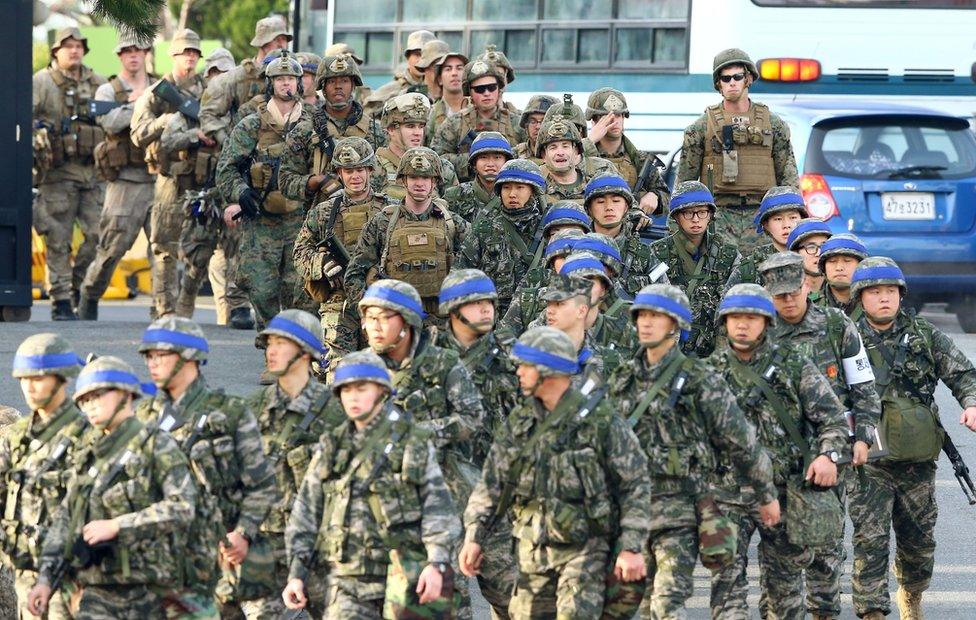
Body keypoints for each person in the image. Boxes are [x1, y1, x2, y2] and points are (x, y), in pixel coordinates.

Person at [608, 284, 778, 619]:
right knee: (639, 605)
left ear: (676, 325)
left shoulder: (699, 379)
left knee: (666, 604)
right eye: (642, 315)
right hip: (630, 514)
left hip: (680, 513)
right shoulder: (622, 378)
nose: (645, 323)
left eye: (656, 316)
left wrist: (766, 492)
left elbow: (741, 441)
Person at [460, 326, 652, 618]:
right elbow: (492, 484)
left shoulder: (600, 421)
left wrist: (632, 546)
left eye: (526, 366)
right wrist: (474, 536)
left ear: (548, 371)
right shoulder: (520, 422)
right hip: (532, 554)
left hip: (585, 553)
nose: (518, 373)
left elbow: (634, 484)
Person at [283, 350, 461, 618]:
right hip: (347, 579)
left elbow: (438, 509)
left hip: (405, 576)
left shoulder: (411, 442)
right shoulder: (331, 447)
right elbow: (306, 513)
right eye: (346, 390)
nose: (353, 396)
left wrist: (436, 563)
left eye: (361, 388)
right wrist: (297, 573)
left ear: (382, 391)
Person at [707, 284, 848, 620]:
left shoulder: (794, 366)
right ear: (724, 322)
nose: (742, 325)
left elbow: (834, 419)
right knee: (726, 592)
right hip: (725, 498)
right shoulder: (707, 374)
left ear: (766, 322)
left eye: (751, 318)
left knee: (786, 595)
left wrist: (827, 455)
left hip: (786, 493)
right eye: (735, 317)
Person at [847, 256, 976, 620]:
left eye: (891, 291)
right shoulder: (845, 335)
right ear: (861, 297)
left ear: (901, 295)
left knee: (918, 547)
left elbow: (964, 373)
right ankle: (871, 611)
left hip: (917, 462)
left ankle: (911, 592)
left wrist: (971, 403)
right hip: (867, 460)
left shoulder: (923, 334)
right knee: (869, 542)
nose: (884, 298)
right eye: (875, 292)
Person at [759, 251, 882, 619]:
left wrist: (862, 436)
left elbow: (863, 386)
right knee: (777, 553)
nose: (789, 301)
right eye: (780, 296)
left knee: (826, 550)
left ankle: (823, 612)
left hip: (829, 450)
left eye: (794, 292)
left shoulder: (835, 325)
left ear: (806, 284)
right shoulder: (756, 330)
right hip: (776, 456)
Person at [27, 356, 196, 618]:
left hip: (153, 591)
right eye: (84, 400)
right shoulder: (86, 452)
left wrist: (118, 526)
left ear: (125, 395)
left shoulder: (156, 445)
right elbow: (66, 518)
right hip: (99, 589)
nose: (90, 406)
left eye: (98, 396)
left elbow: (182, 507)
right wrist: (46, 579)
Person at [356, 279, 485, 618]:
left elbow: (472, 417)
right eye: (369, 318)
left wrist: (420, 432)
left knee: (444, 592)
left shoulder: (442, 364)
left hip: (437, 490)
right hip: (375, 497)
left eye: (385, 317)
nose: (375, 327)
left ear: (408, 322)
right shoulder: (357, 368)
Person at [136, 318, 278, 617]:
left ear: (189, 357)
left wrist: (244, 533)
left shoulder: (229, 413)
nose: (152, 363)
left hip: (221, 560)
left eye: (160, 355)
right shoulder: (142, 416)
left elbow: (262, 484)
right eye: (148, 356)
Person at [433, 270, 520, 618]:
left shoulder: (511, 358)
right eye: (476, 303)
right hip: (441, 495)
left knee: (514, 599)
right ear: (454, 310)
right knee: (446, 604)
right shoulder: (428, 359)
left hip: (495, 499)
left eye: (489, 303)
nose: (487, 310)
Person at [245, 309, 341, 617]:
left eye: (280, 343)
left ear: (305, 351)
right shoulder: (252, 408)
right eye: (268, 343)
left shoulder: (335, 413)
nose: (270, 351)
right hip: (265, 542)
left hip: (321, 545)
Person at [216, 53, 319, 332]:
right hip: (261, 219)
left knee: (300, 289)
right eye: (280, 79)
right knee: (261, 289)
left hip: (301, 219)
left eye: (291, 79)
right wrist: (241, 193)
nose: (286, 84)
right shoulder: (252, 124)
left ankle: (298, 352)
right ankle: (271, 343)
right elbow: (226, 169)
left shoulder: (314, 122)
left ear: (300, 83)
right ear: (270, 84)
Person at [677, 48, 798, 254]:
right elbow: (684, 185)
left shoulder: (774, 125)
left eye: (737, 76)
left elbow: (789, 178)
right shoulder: (700, 128)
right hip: (718, 217)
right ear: (718, 84)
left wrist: (793, 220)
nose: (731, 82)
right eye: (725, 78)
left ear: (748, 78)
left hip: (764, 217)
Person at [293, 137, 397, 372]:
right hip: (337, 303)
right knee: (336, 373)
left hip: (379, 301)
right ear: (339, 173)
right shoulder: (324, 212)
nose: (355, 176)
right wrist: (321, 263)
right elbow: (299, 252)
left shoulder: (390, 210)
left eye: (360, 169)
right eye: (349, 171)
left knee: (383, 372)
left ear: (370, 170)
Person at [3, 335, 85, 620]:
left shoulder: (90, 435)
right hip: (27, 575)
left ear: (63, 379)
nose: (29, 387)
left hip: (77, 578)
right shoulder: (17, 436)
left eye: (38, 378)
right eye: (24, 379)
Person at [130, 28, 209, 320]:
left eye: (194, 52)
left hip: (204, 179)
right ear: (173, 55)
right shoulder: (158, 93)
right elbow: (138, 135)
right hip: (171, 179)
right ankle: (165, 311)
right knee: (164, 248)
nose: (190, 57)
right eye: (184, 52)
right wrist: (165, 121)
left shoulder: (210, 89)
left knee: (202, 249)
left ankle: (185, 307)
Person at [174, 47, 254, 327]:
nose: (219, 78)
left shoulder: (243, 114)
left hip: (231, 191)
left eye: (224, 73)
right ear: (207, 76)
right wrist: (194, 137)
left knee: (238, 249)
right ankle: (184, 306)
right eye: (214, 73)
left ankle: (239, 308)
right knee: (198, 252)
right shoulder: (192, 110)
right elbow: (168, 140)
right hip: (204, 192)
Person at [79, 32, 156, 321]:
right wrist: (140, 104)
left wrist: (147, 100)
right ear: (120, 56)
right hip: (125, 181)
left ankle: (162, 311)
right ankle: (89, 295)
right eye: (127, 51)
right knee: (112, 247)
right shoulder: (108, 90)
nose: (133, 55)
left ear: (146, 52)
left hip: (158, 177)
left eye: (138, 49)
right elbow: (110, 122)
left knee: (164, 251)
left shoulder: (160, 86)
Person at [32, 27, 107, 320]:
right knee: (58, 238)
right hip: (57, 174)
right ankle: (61, 299)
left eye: (78, 46)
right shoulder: (42, 82)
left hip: (92, 172)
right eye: (67, 46)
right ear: (56, 52)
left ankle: (77, 286)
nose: (74, 51)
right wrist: (38, 132)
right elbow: (22, 116)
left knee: (98, 236)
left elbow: (112, 115)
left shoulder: (98, 82)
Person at [344, 147, 469, 317]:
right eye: (413, 177)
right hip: (395, 319)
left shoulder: (451, 223)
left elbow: (477, 268)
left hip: (443, 319)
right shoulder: (382, 222)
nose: (419, 183)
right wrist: (373, 313)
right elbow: (354, 274)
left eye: (426, 177)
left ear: (435, 182)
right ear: (403, 181)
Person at [649, 181, 741, 357]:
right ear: (676, 217)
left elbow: (738, 300)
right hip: (670, 346)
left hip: (716, 348)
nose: (696, 219)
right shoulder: (657, 252)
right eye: (688, 213)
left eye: (702, 212)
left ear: (710, 215)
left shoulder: (727, 252)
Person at [456, 158, 548, 316]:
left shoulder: (549, 228)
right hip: (493, 318)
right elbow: (460, 274)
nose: (512, 194)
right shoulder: (485, 229)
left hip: (539, 317)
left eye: (520, 187)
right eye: (506, 188)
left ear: (533, 190)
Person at [431, 52, 524, 183]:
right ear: (470, 92)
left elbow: (532, 156)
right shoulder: (454, 123)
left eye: (492, 87)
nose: (487, 93)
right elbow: (438, 159)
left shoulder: (517, 122)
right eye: (480, 89)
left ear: (499, 89)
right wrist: (475, 159)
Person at [199, 15, 291, 144]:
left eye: (284, 39)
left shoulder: (295, 76)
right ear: (263, 43)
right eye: (276, 39)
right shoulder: (237, 77)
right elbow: (208, 113)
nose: (282, 44)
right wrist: (227, 142)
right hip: (246, 151)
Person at [583, 172, 671, 299]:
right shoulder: (576, 250)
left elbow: (667, 301)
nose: (609, 207)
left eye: (616, 201)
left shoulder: (643, 255)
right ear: (589, 209)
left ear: (626, 207)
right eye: (600, 202)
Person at [585, 88, 669, 214]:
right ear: (594, 121)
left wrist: (654, 195)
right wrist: (589, 141)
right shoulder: (582, 156)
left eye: (619, 115)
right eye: (607, 116)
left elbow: (666, 195)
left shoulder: (640, 160)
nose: (614, 121)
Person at [374, 92, 458, 200]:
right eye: (410, 126)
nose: (418, 132)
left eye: (421, 126)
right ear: (391, 129)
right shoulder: (374, 167)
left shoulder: (442, 167)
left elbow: (453, 210)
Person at [536, 116, 616, 205]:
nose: (560, 153)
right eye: (553, 148)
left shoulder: (599, 177)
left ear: (576, 151)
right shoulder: (535, 183)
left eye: (565, 146)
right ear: (543, 154)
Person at [737, 186, 808, 285]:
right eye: (778, 219)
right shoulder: (750, 267)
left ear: (803, 220)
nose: (786, 225)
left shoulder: (815, 258)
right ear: (766, 225)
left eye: (793, 217)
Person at [312, 53, 385, 148]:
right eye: (331, 81)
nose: (338, 86)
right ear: (323, 88)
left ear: (353, 86)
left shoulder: (375, 131)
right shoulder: (307, 130)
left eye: (344, 81)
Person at [364, 29, 436, 117]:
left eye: (425, 55)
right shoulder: (394, 88)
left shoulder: (440, 89)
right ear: (408, 57)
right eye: (417, 54)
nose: (421, 60)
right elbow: (367, 113)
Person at [444, 131, 513, 222]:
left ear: (506, 162)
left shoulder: (516, 195)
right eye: (484, 157)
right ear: (474, 163)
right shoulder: (454, 195)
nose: (490, 164)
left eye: (497, 157)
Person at [423, 43, 469, 142]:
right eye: (448, 69)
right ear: (439, 79)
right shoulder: (430, 114)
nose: (454, 73)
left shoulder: (478, 110)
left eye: (459, 68)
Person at [818, 233, 869, 320]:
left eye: (847, 261)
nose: (839, 268)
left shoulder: (875, 304)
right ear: (824, 268)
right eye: (832, 261)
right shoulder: (808, 305)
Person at [786, 218, 834, 302]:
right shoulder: (783, 293)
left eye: (824, 246)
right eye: (811, 247)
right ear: (795, 253)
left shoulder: (841, 289)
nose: (819, 253)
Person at [513, 95, 557, 163]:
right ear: (526, 126)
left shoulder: (565, 155)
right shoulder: (515, 155)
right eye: (533, 122)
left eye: (544, 122)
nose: (538, 127)